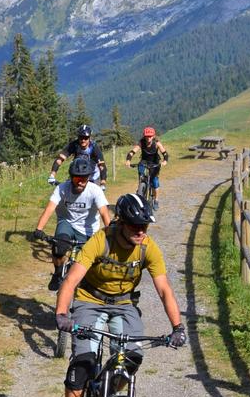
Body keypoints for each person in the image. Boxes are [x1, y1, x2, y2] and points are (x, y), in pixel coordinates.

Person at [53, 193, 186, 397]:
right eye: (135, 225)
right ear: (121, 222)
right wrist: (62, 314)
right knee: (83, 363)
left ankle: (109, 396)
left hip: (124, 305)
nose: (140, 231)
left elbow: (164, 290)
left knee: (131, 359)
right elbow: (70, 281)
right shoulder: (100, 240)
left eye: (144, 226)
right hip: (90, 300)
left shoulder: (148, 247)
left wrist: (178, 327)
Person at [34, 158, 110, 291]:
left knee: (88, 265)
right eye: (76, 179)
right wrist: (39, 229)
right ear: (71, 177)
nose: (80, 182)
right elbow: (50, 208)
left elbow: (104, 212)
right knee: (59, 248)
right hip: (67, 223)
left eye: (84, 178)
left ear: (88, 178)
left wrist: (111, 233)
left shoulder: (95, 190)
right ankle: (58, 273)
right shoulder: (62, 188)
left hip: (88, 230)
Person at [48, 124, 107, 190]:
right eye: (81, 137)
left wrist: (103, 182)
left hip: (92, 176)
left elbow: (101, 165)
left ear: (89, 138)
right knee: (67, 192)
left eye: (86, 138)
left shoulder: (94, 147)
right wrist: (52, 175)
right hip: (77, 174)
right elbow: (60, 159)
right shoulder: (74, 145)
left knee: (94, 196)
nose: (83, 140)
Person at [124, 127, 168, 211]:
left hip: (155, 163)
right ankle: (141, 190)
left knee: (155, 182)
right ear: (144, 136)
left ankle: (156, 200)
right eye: (147, 136)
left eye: (150, 136)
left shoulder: (157, 143)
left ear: (153, 136)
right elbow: (132, 152)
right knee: (141, 178)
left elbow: (164, 153)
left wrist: (165, 161)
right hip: (144, 162)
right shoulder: (141, 142)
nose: (148, 138)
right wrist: (128, 160)